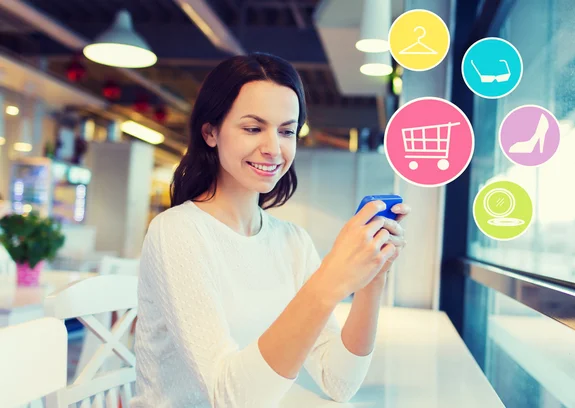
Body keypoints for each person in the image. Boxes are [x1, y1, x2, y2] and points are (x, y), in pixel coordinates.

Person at [131, 52, 410, 408]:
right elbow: (228, 398)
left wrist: (373, 278)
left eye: (286, 131)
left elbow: (339, 382)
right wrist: (330, 281)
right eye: (253, 128)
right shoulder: (176, 232)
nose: (273, 148)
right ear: (211, 132)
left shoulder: (292, 241)